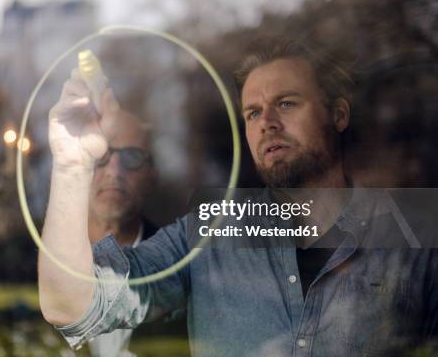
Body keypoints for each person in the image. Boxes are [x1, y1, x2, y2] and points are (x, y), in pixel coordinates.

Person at [38, 41, 438, 356]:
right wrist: (71, 166)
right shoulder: (206, 235)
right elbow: (70, 305)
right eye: (252, 113)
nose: (267, 124)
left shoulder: (414, 240)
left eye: (286, 103)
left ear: (338, 115)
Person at [86, 109, 159, 356]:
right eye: (98, 155)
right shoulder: (31, 265)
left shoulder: (184, 271)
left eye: (132, 157)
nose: (114, 172)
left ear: (152, 176)